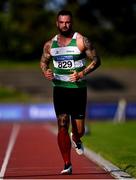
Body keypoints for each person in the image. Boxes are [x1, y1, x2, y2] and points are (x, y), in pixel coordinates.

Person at [40, 10, 101, 175]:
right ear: (57, 23)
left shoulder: (81, 41)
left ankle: (76, 138)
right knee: (62, 124)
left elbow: (96, 60)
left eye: (67, 22)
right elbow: (43, 62)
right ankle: (67, 163)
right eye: (62, 22)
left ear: (71, 23)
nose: (64, 25)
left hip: (78, 90)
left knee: (79, 130)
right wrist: (46, 71)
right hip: (59, 89)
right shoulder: (49, 45)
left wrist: (82, 74)